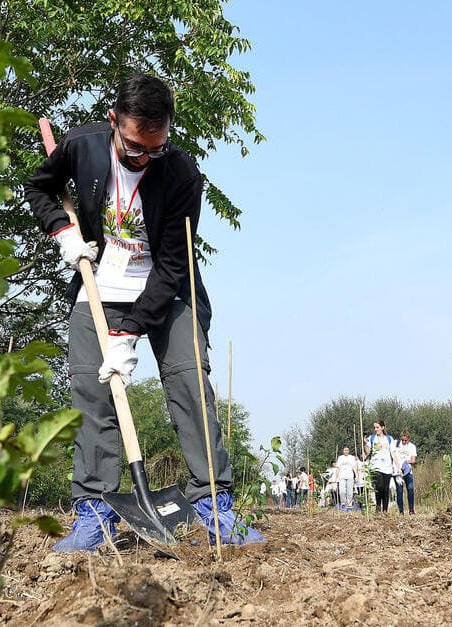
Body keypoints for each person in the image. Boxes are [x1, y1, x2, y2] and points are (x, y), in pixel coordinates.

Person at [24, 74, 263, 551]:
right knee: (92, 394)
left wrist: (131, 332)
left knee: (190, 380)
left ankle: (212, 501)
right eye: (134, 148)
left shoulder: (180, 173)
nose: (144, 159)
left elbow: (174, 263)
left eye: (155, 148)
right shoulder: (81, 146)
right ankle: (94, 509)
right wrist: (62, 233)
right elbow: (39, 188)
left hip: (167, 291)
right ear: (114, 123)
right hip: (99, 284)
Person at [363, 420, 395, 514]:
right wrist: (365, 443)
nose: (375, 429)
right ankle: (378, 507)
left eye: (377, 427)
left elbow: (393, 452)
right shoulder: (372, 438)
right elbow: (368, 452)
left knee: (386, 489)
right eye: (374, 427)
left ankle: (385, 510)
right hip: (375, 466)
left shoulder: (389, 439)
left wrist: (397, 465)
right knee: (379, 486)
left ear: (382, 427)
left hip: (387, 467)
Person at [393, 430, 418, 515]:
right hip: (398, 471)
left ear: (409, 439)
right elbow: (393, 454)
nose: (403, 442)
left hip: (408, 471)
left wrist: (409, 461)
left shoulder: (412, 447)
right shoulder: (396, 445)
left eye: (405, 440)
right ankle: (401, 511)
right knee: (399, 491)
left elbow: (414, 460)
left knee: (410, 489)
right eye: (402, 440)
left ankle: (411, 510)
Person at [335, 446, 358, 510]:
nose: (346, 451)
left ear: (349, 451)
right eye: (345, 450)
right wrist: (335, 477)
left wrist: (357, 475)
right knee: (342, 491)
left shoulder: (351, 458)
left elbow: (354, 467)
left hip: (350, 476)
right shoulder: (340, 458)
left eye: (347, 450)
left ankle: (349, 505)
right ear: (343, 451)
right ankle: (343, 503)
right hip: (341, 476)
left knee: (350, 492)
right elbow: (338, 468)